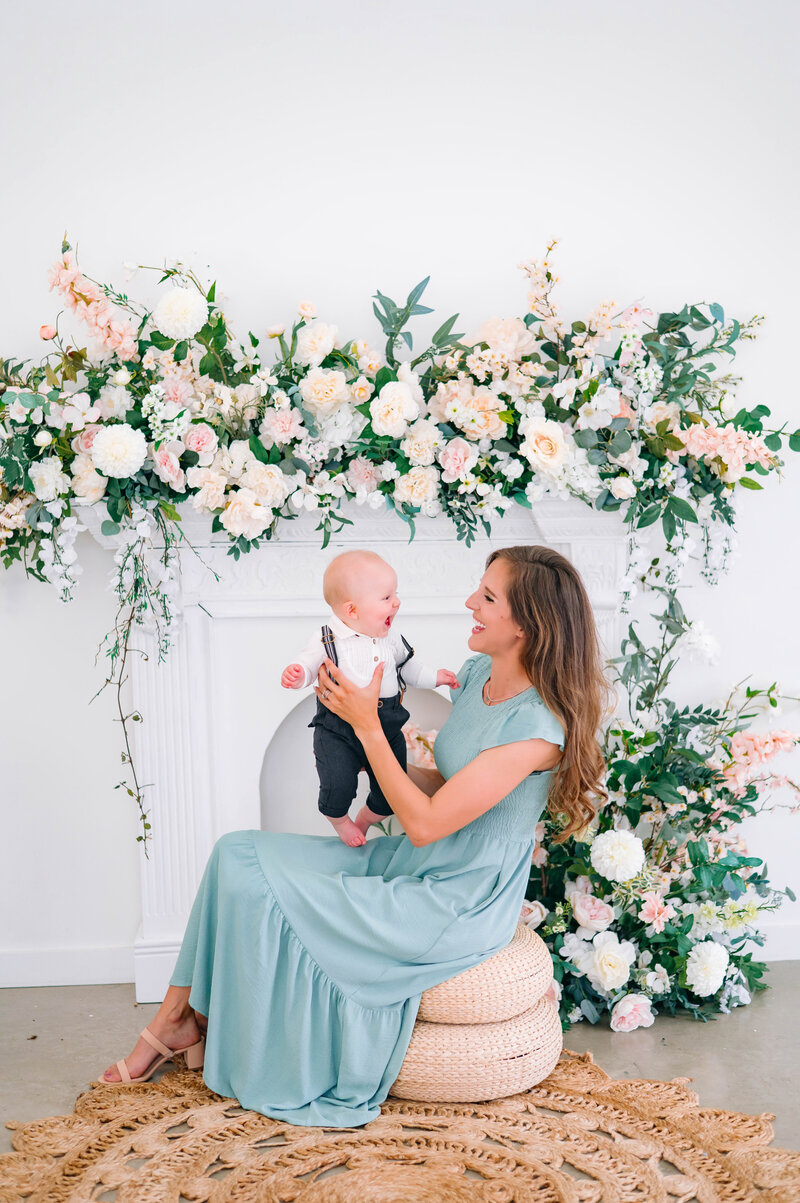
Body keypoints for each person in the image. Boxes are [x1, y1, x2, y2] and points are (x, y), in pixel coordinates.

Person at [99, 544, 610, 1129]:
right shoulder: (476, 677)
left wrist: (368, 727)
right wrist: (350, 752)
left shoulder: (538, 729)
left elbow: (426, 822)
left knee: (271, 884)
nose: (470, 602)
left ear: (526, 625)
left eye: (487, 597)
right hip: (420, 857)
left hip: (458, 895)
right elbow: (447, 787)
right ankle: (176, 1020)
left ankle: (187, 1024)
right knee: (235, 853)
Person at [281, 549, 459, 845]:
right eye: (386, 597)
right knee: (338, 785)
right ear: (352, 610)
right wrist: (298, 674)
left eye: (396, 594)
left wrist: (435, 678)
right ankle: (340, 821)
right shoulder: (327, 637)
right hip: (338, 730)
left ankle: (366, 817)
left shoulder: (391, 638)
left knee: (393, 795)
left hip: (387, 728)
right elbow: (309, 664)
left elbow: (410, 668)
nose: (397, 602)